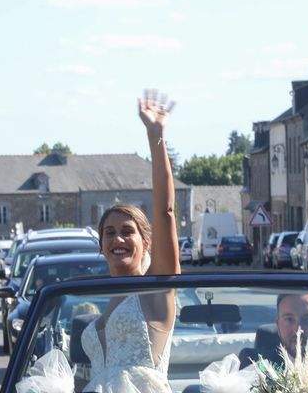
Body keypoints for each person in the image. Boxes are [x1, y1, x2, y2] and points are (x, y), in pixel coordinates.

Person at [80, 90, 181, 393]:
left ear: (146, 243)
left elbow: (165, 212)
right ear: (101, 246)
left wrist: (156, 135)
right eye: (109, 233)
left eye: (128, 231)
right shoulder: (102, 299)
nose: (118, 238)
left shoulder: (155, 291)